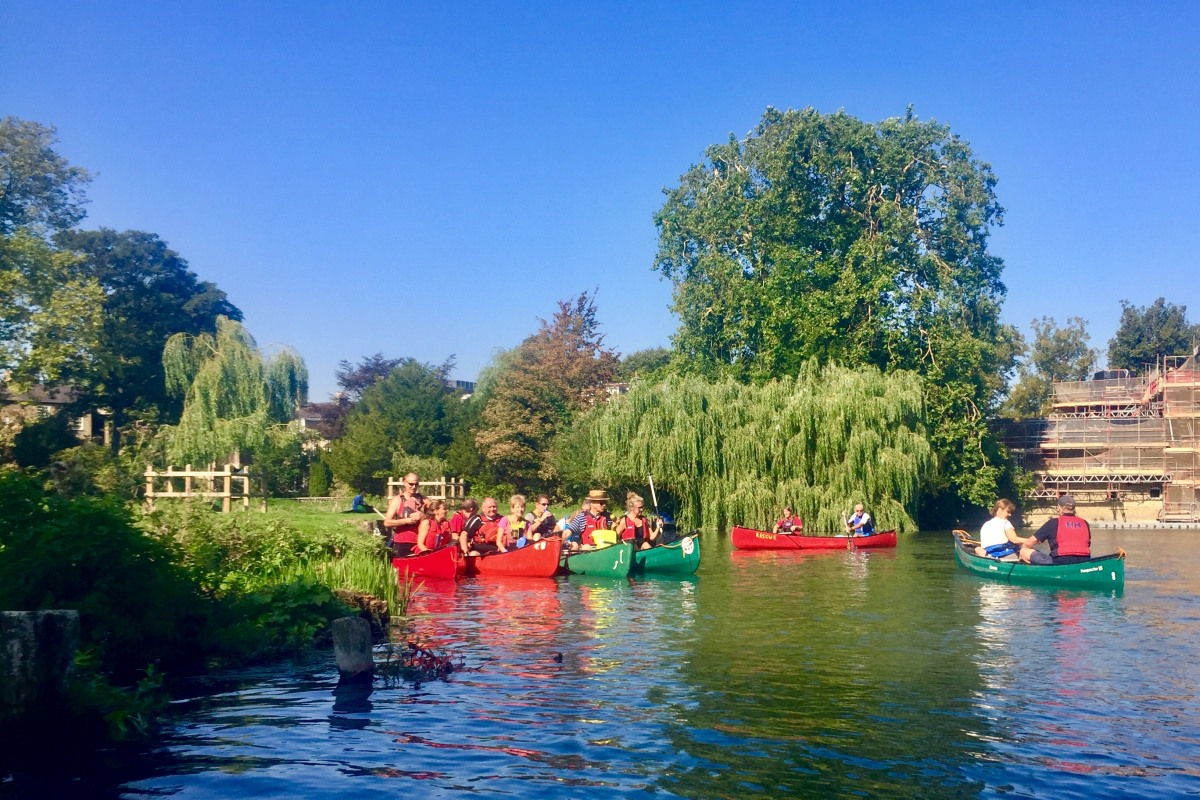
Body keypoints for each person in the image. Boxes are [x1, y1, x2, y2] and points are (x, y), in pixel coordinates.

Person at [1021, 494, 1091, 566]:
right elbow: (1087, 544)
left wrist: (1022, 550)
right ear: (1074, 509)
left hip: (1060, 562)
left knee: (1024, 551)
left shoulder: (1053, 523)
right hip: (1084, 561)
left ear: (1059, 508)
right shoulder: (1084, 523)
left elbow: (1028, 543)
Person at [383, 472, 424, 556]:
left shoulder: (423, 500)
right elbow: (387, 522)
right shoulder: (397, 500)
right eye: (411, 484)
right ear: (404, 482)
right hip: (402, 542)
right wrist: (406, 521)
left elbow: (436, 515)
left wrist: (422, 516)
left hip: (420, 542)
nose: (414, 487)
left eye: (416, 484)